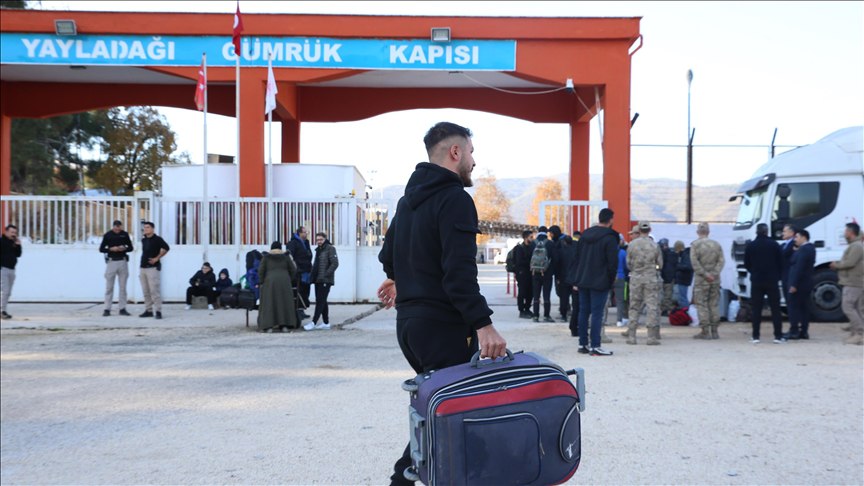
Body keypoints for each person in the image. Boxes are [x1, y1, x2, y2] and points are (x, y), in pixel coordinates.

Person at [376, 121, 507, 486]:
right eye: (471, 153)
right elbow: (459, 274)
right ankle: (401, 480)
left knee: (444, 413)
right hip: (442, 327)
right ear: (455, 152)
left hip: (410, 327)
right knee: (453, 413)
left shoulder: (407, 201)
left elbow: (388, 255)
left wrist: (400, 278)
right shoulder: (455, 200)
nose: (474, 162)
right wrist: (484, 325)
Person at [573, 207, 618, 356]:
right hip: (600, 280)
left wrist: (577, 278)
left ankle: (582, 344)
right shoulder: (610, 237)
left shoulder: (585, 235)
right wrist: (611, 281)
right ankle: (595, 345)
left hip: (583, 279)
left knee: (583, 312)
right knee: (597, 313)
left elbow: (577, 257)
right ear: (610, 220)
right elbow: (612, 262)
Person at [743, 223, 785, 344]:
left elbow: (747, 263)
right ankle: (778, 336)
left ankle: (755, 336)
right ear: (767, 231)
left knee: (756, 309)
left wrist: (754, 272)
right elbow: (781, 262)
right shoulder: (774, 244)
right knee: (775, 308)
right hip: (772, 280)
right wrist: (777, 276)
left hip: (756, 280)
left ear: (756, 232)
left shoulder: (751, 245)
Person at [623, 221, 662, 345]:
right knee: (652, 307)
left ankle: (632, 336)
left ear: (639, 230)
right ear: (650, 230)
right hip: (651, 279)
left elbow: (628, 263)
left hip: (636, 278)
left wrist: (636, 269)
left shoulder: (632, 245)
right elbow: (660, 264)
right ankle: (651, 337)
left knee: (634, 306)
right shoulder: (654, 245)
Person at [831, 223, 863, 345]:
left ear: (851, 232)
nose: (844, 233)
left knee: (848, 307)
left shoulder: (856, 246)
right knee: (857, 308)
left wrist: (836, 265)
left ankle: (859, 333)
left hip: (853, 282)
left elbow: (850, 262)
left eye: (846, 231)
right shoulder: (854, 245)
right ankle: (856, 333)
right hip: (853, 281)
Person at [690, 222, 725, 339]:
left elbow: (694, 263)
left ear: (697, 232)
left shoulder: (695, 245)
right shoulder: (716, 245)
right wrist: (713, 274)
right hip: (715, 280)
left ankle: (705, 331)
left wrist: (705, 274)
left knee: (701, 304)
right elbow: (721, 261)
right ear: (708, 232)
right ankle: (715, 331)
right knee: (713, 304)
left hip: (701, 280)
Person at [257, 241, 299, 333]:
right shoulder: (286, 256)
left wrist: (262, 281)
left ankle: (269, 326)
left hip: (269, 283)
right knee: (284, 304)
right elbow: (293, 270)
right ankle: (284, 325)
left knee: (269, 304)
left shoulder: (266, 257)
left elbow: (261, 271)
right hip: (284, 282)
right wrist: (289, 279)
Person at [785, 229, 816, 340]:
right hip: (805, 283)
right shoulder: (810, 248)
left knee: (793, 307)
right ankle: (803, 331)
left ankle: (794, 330)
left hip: (799, 284)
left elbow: (799, 268)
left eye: (797, 237)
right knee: (804, 307)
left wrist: (794, 284)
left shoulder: (804, 250)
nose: (795, 239)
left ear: (804, 237)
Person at [99, 220, 133, 317]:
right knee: (109, 287)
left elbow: (131, 248)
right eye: (116, 227)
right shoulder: (108, 235)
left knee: (123, 287)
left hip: (122, 261)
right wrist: (111, 249)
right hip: (111, 262)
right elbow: (101, 249)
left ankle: (122, 308)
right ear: (113, 226)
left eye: (119, 227)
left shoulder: (125, 234)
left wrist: (124, 248)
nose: (117, 229)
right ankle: (107, 308)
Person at [305, 231, 339, 331]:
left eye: (321, 239)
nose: (319, 241)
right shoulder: (318, 250)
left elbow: (335, 263)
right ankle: (326, 323)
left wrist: (326, 274)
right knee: (322, 301)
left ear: (325, 239)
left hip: (325, 280)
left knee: (320, 301)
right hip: (318, 279)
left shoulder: (330, 248)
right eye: (317, 240)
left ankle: (314, 322)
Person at [139, 221, 169, 320]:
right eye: (144, 227)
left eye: (147, 227)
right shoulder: (143, 240)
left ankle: (158, 311)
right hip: (143, 268)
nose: (145, 229)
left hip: (152, 269)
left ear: (152, 229)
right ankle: (148, 310)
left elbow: (166, 248)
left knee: (154, 291)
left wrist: (157, 258)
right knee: (146, 291)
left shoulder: (158, 239)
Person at [530, 226, 556, 323]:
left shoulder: (533, 243)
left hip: (535, 273)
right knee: (546, 295)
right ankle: (546, 316)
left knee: (536, 295)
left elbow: (529, 257)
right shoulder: (550, 243)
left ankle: (536, 315)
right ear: (546, 232)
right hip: (547, 273)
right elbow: (555, 258)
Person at [286, 226, 313, 317]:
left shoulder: (306, 242)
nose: (306, 234)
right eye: (304, 232)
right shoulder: (293, 243)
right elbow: (290, 257)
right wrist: (295, 268)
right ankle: (297, 311)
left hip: (307, 271)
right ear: (299, 233)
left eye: (306, 232)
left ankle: (302, 309)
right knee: (299, 291)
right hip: (299, 272)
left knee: (305, 291)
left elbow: (309, 254)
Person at [549, 225, 571, 321]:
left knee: (562, 294)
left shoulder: (558, 244)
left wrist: (556, 275)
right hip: (571, 273)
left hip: (562, 274)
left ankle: (564, 313)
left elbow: (557, 261)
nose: (550, 235)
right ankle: (568, 310)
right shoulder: (568, 241)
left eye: (551, 233)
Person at [1, 224, 22, 320]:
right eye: (12, 232)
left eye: (15, 232)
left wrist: (18, 246)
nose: (13, 234)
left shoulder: (13, 242)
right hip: (3, 269)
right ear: (6, 232)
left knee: (8, 292)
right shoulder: (2, 242)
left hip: (12, 269)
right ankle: (2, 311)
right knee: (5, 291)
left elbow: (18, 255)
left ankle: (3, 310)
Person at [512, 230, 535, 318]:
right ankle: (521, 311)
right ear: (525, 238)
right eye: (531, 237)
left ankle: (527, 309)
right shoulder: (519, 248)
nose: (532, 239)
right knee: (522, 293)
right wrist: (530, 262)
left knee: (530, 293)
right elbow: (519, 262)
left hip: (530, 274)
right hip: (522, 274)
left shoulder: (532, 247)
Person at [612, 233, 630, 327]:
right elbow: (626, 266)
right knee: (620, 300)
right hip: (620, 277)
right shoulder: (622, 252)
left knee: (605, 300)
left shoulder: (608, 250)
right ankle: (619, 320)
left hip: (608, 277)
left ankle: (602, 320)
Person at [658, 238, 678, 315]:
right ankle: (665, 309)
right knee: (667, 295)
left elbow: (659, 266)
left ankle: (664, 309)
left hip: (665, 277)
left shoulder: (663, 254)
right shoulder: (673, 253)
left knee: (665, 295)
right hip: (670, 277)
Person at [779, 224, 797, 307]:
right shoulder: (783, 245)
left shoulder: (794, 244)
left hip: (790, 275)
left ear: (792, 233)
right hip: (784, 275)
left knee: (792, 301)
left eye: (784, 231)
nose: (783, 233)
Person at [673, 240, 693, 308]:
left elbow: (688, 266)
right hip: (683, 279)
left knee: (683, 297)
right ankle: (684, 310)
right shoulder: (685, 254)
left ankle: (685, 311)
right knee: (682, 297)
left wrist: (677, 266)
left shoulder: (685, 255)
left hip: (684, 279)